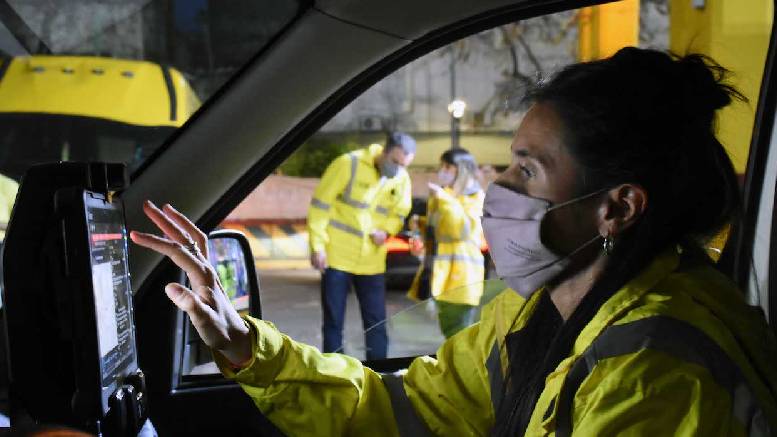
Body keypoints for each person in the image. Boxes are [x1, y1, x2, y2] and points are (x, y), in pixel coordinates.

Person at [131, 48, 777, 436]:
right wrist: (247, 346)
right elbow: (403, 408)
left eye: (526, 169)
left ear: (616, 208)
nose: (498, 186)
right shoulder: (535, 311)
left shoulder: (655, 371)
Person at [306, 132, 414, 359]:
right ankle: (335, 373)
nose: (398, 169)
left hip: (371, 260)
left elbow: (399, 213)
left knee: (376, 323)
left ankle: (379, 375)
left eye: (403, 165)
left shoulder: (401, 178)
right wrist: (317, 246)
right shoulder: (348, 164)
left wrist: (386, 231)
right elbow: (320, 206)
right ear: (384, 151)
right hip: (336, 257)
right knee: (334, 321)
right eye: (395, 162)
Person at [407, 148, 485, 338]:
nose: (443, 170)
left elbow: (462, 229)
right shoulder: (445, 195)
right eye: (442, 166)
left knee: (460, 339)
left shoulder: (475, 197)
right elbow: (438, 230)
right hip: (440, 278)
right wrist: (420, 224)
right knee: (449, 337)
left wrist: (444, 199)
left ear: (463, 170)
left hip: (462, 280)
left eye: (448, 166)